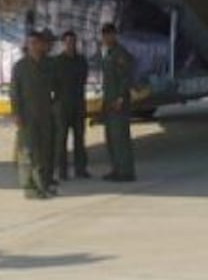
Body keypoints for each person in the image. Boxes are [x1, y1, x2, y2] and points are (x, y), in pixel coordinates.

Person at [11, 30, 57, 199]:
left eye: (36, 43)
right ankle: (29, 188)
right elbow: (14, 92)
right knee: (28, 152)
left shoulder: (47, 64)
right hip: (27, 116)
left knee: (44, 151)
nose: (33, 46)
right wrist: (16, 113)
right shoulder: (20, 66)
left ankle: (42, 185)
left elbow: (55, 87)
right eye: (30, 43)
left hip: (45, 115)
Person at [53, 29, 91, 180]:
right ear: (63, 44)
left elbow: (84, 78)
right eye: (68, 42)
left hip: (78, 103)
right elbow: (53, 83)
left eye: (73, 42)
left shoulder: (81, 60)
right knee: (61, 139)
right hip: (62, 104)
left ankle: (80, 169)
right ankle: (62, 171)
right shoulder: (57, 62)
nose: (71, 45)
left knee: (79, 138)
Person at [100, 23, 137, 181]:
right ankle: (116, 168)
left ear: (115, 35)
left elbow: (125, 77)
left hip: (118, 102)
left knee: (121, 137)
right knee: (111, 137)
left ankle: (126, 171)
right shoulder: (107, 53)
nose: (107, 37)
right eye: (105, 35)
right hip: (109, 101)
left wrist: (121, 98)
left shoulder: (120, 54)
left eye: (110, 34)